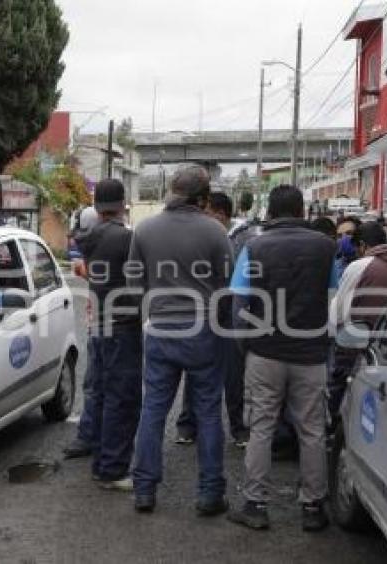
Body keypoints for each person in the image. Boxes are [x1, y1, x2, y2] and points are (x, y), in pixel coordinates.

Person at [227, 184, 338, 532]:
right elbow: (332, 301)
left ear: (270, 213)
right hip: (311, 354)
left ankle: (256, 504)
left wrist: (246, 346)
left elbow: (239, 306)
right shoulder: (326, 247)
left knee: (261, 427)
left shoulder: (254, 247)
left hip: (265, 352)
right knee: (312, 430)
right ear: (303, 211)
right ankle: (313, 508)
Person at [128, 166, 234, 515]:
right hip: (203, 330)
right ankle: (209, 494)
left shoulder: (144, 229)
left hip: (160, 329)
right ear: (203, 198)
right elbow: (224, 288)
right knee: (207, 412)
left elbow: (134, 283)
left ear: (173, 191)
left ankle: (143, 490)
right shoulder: (216, 232)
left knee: (153, 409)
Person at [77, 179, 143, 491]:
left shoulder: (88, 236)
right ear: (122, 203)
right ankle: (113, 470)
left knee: (102, 394)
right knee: (122, 397)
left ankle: (101, 462)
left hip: (99, 324)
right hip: (122, 326)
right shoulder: (126, 238)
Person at [176, 192, 249, 449]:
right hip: (203, 314)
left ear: (220, 214)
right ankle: (187, 425)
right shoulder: (200, 237)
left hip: (231, 317)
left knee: (233, 375)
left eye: (207, 213)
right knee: (195, 371)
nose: (203, 219)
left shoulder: (244, 239)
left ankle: (239, 428)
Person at [327, 222, 387, 429]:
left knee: (340, 399)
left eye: (356, 249)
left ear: (362, 245)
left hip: (353, 347)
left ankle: (333, 437)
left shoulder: (360, 266)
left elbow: (338, 310)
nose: (356, 254)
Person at [63, 206, 100, 460]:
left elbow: (81, 269)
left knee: (98, 386)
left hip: (109, 326)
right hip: (102, 326)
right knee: (96, 386)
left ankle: (93, 438)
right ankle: (91, 437)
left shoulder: (104, 247)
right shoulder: (112, 243)